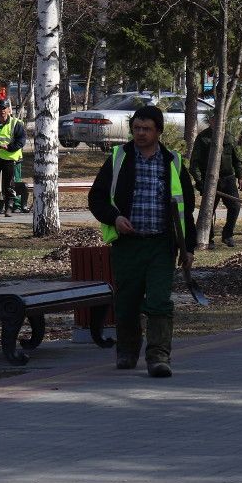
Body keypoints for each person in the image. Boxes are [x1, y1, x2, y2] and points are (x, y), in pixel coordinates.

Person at [88, 106, 197, 378]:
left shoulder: (172, 161)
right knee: (127, 301)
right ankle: (127, 351)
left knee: (159, 301)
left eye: (146, 128)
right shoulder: (119, 158)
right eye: (136, 128)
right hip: (128, 246)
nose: (140, 133)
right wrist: (115, 218)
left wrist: (188, 248)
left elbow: (186, 208)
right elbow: (97, 198)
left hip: (162, 245)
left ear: (158, 131)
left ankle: (159, 356)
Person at [190, 125, 242, 250]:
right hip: (209, 180)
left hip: (228, 178)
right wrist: (201, 183)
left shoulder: (229, 136)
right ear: (211, 120)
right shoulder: (203, 138)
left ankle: (228, 235)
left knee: (235, 206)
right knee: (209, 210)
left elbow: (236, 159)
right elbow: (194, 164)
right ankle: (208, 239)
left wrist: (240, 177)